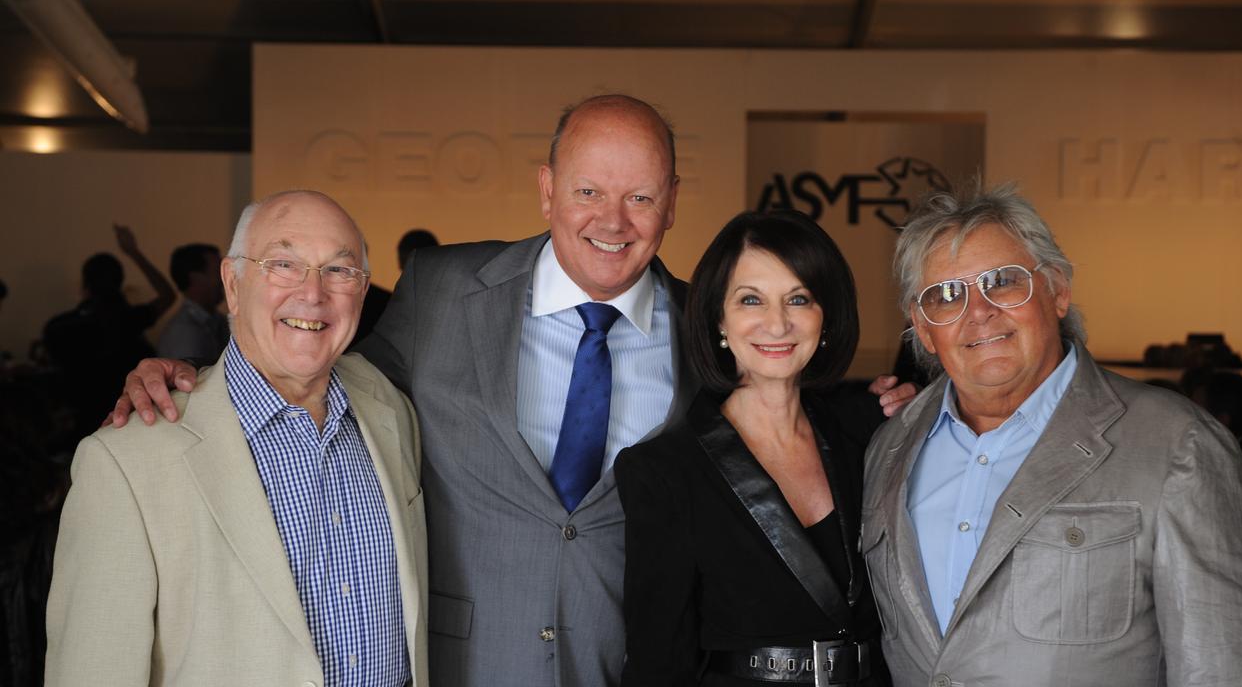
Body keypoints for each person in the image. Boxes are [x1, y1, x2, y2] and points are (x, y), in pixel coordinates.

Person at [106, 95, 916, 687]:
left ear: (671, 204)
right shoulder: (440, 290)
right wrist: (199, 379)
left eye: (641, 196)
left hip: (625, 663)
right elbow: (320, 380)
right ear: (546, 188)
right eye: (590, 190)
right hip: (464, 663)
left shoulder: (704, 332)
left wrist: (870, 406)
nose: (614, 218)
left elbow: (774, 415)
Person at [862, 184, 1242, 686]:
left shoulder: (1178, 446)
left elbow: (1227, 671)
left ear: (1057, 289)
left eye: (1003, 281)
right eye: (946, 295)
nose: (978, 310)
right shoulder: (889, 448)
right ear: (924, 329)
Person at [45, 191, 428, 685]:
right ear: (233, 282)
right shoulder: (124, 462)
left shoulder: (392, 409)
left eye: (339, 270)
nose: (313, 293)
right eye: (284, 264)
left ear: (362, 289)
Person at [615, 210, 889, 686]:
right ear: (719, 318)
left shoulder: (869, 430)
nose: (777, 323)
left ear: (826, 317)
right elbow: (658, 663)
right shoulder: (664, 471)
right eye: (751, 300)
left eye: (798, 298)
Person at [43, 225, 176, 437]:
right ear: (121, 284)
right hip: (128, 419)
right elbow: (168, 296)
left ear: (84, 285)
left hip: (80, 424)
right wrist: (134, 253)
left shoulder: (58, 326)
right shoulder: (129, 320)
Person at [155, 242, 229, 362]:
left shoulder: (218, 322)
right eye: (218, 271)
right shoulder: (184, 334)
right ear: (195, 278)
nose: (226, 278)